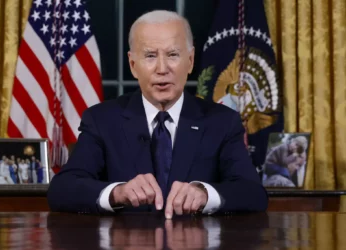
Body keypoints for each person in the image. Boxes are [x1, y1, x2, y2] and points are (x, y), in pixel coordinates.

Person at [47, 10, 267, 217]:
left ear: (190, 61)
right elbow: (63, 189)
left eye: (173, 54)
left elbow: (253, 193)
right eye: (150, 56)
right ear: (133, 65)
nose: (162, 68)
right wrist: (118, 193)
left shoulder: (221, 122)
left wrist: (205, 194)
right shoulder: (102, 120)